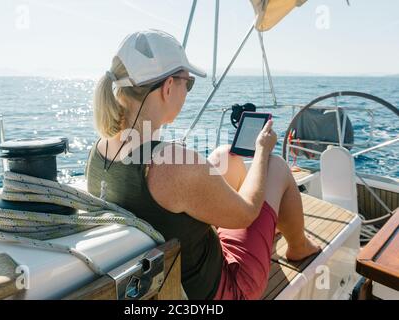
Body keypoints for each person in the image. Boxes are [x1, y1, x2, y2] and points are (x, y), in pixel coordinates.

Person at [85, 29, 320, 300]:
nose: (187, 92)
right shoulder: (170, 164)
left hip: (163, 280)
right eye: (188, 83)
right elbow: (246, 214)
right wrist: (262, 150)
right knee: (276, 167)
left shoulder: (99, 151)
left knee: (223, 155)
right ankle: (298, 247)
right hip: (225, 289)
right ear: (168, 87)